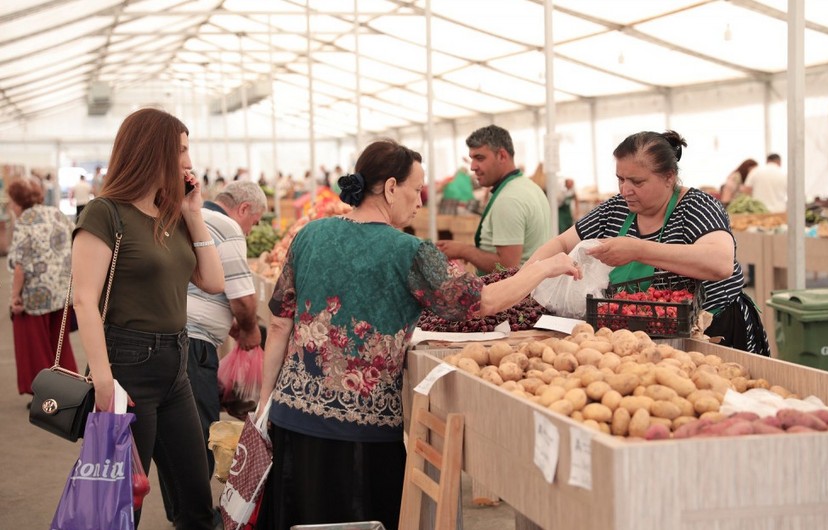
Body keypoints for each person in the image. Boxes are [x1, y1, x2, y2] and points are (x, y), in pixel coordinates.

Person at [255, 139, 580, 530]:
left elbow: (278, 324)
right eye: (417, 190)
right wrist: (541, 269)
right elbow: (481, 302)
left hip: (294, 418)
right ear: (391, 188)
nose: (420, 202)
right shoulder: (408, 251)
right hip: (363, 432)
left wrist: (264, 405)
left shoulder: (310, 235)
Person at [71, 107, 225, 529]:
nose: (189, 162)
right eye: (181, 150)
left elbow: (212, 280)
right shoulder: (105, 214)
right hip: (126, 370)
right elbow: (83, 299)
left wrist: (193, 212)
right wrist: (102, 380)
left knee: (196, 495)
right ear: (151, 150)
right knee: (120, 505)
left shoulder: (173, 216)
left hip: (176, 368)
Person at [527, 130, 770, 356]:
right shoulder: (615, 209)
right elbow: (561, 242)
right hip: (641, 338)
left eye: (637, 182)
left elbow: (721, 263)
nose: (625, 190)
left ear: (669, 178)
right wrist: (525, 277)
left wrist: (638, 250)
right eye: (620, 179)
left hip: (712, 334)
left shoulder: (697, 207)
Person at [160, 180, 267, 523]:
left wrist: (228, 321)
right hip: (194, 344)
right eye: (254, 222)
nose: (252, 230)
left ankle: (183, 515)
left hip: (166, 336)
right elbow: (242, 297)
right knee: (198, 439)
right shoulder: (226, 225)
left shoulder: (188, 217)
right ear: (244, 209)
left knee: (171, 441)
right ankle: (195, 519)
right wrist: (249, 330)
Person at [436, 125, 550, 274]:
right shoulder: (528, 186)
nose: (472, 167)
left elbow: (506, 268)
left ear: (502, 156)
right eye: (471, 159)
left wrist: (464, 251)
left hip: (515, 295)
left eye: (480, 158)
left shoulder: (508, 199)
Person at [7, 178, 77, 399]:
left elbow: (21, 265)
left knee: (35, 348)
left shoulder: (25, 221)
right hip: (61, 292)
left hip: (36, 295)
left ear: (18, 202)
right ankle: (68, 390)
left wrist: (14, 297)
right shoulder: (55, 213)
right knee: (59, 345)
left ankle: (45, 395)